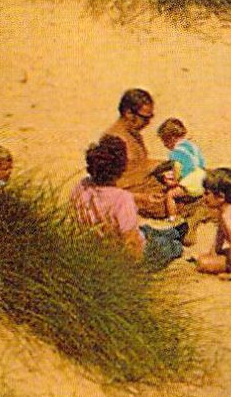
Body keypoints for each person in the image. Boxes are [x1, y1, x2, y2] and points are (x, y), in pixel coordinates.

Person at [70, 136, 186, 270]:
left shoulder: (82, 186)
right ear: (121, 168)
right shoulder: (122, 200)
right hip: (124, 252)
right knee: (168, 246)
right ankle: (175, 239)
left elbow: (104, 197)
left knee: (147, 229)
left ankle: (173, 232)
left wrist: (142, 198)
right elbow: (132, 247)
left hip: (100, 242)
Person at [101, 88, 168, 217]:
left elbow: (139, 164)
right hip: (134, 197)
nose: (149, 122)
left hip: (148, 186)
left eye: (151, 117)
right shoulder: (112, 141)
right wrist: (141, 198)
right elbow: (104, 189)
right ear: (128, 113)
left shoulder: (134, 134)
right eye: (145, 118)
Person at [157, 117, 207, 197]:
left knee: (169, 195)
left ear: (171, 138)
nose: (164, 145)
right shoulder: (193, 146)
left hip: (191, 185)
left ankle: (171, 209)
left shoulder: (175, 152)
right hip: (203, 181)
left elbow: (177, 169)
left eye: (164, 141)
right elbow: (201, 164)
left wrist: (174, 182)